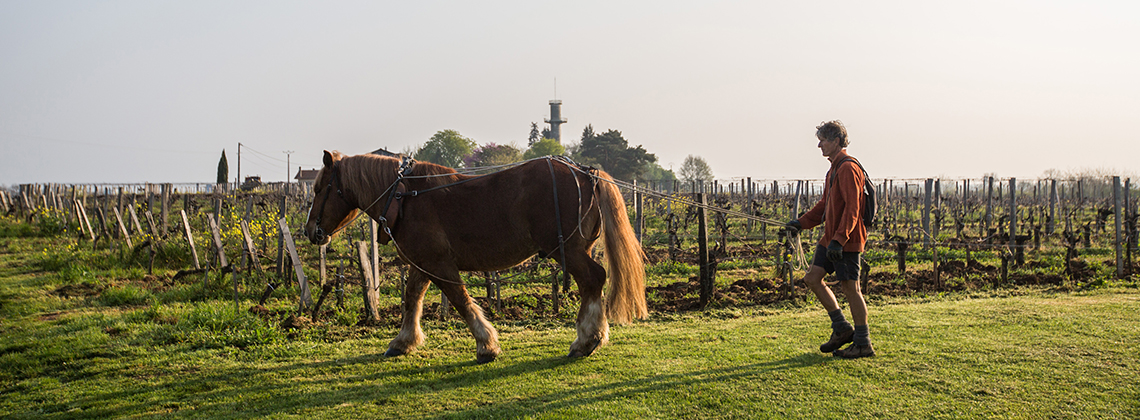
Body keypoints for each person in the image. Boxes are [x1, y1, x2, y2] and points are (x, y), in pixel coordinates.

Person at [785, 120, 874, 359]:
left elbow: (853, 207)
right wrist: (800, 223)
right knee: (813, 278)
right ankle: (842, 327)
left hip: (846, 239)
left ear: (836, 141)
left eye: (823, 140)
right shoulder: (833, 169)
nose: (819, 145)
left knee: (851, 288)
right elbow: (825, 205)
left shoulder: (847, 168)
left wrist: (840, 239)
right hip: (831, 238)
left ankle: (863, 342)